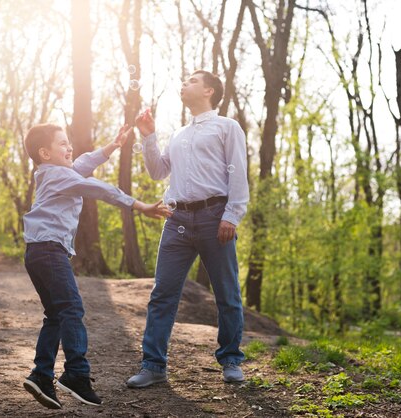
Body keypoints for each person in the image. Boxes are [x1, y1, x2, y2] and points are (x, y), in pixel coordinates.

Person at [21, 123, 170, 409]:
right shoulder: (59, 176)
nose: (69, 148)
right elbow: (98, 188)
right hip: (50, 252)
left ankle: (41, 375)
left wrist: (111, 147)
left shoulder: (53, 173)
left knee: (55, 314)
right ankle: (77, 374)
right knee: (72, 310)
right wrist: (139, 205)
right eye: (63, 144)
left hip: (38, 253)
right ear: (45, 152)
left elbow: (82, 164)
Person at [127, 70, 249, 388]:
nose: (184, 84)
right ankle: (153, 365)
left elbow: (238, 172)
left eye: (192, 81)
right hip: (177, 220)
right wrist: (148, 135)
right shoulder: (179, 135)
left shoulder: (227, 127)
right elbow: (157, 171)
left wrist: (232, 215)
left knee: (227, 294)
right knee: (162, 295)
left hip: (214, 218)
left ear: (209, 91)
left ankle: (232, 360)